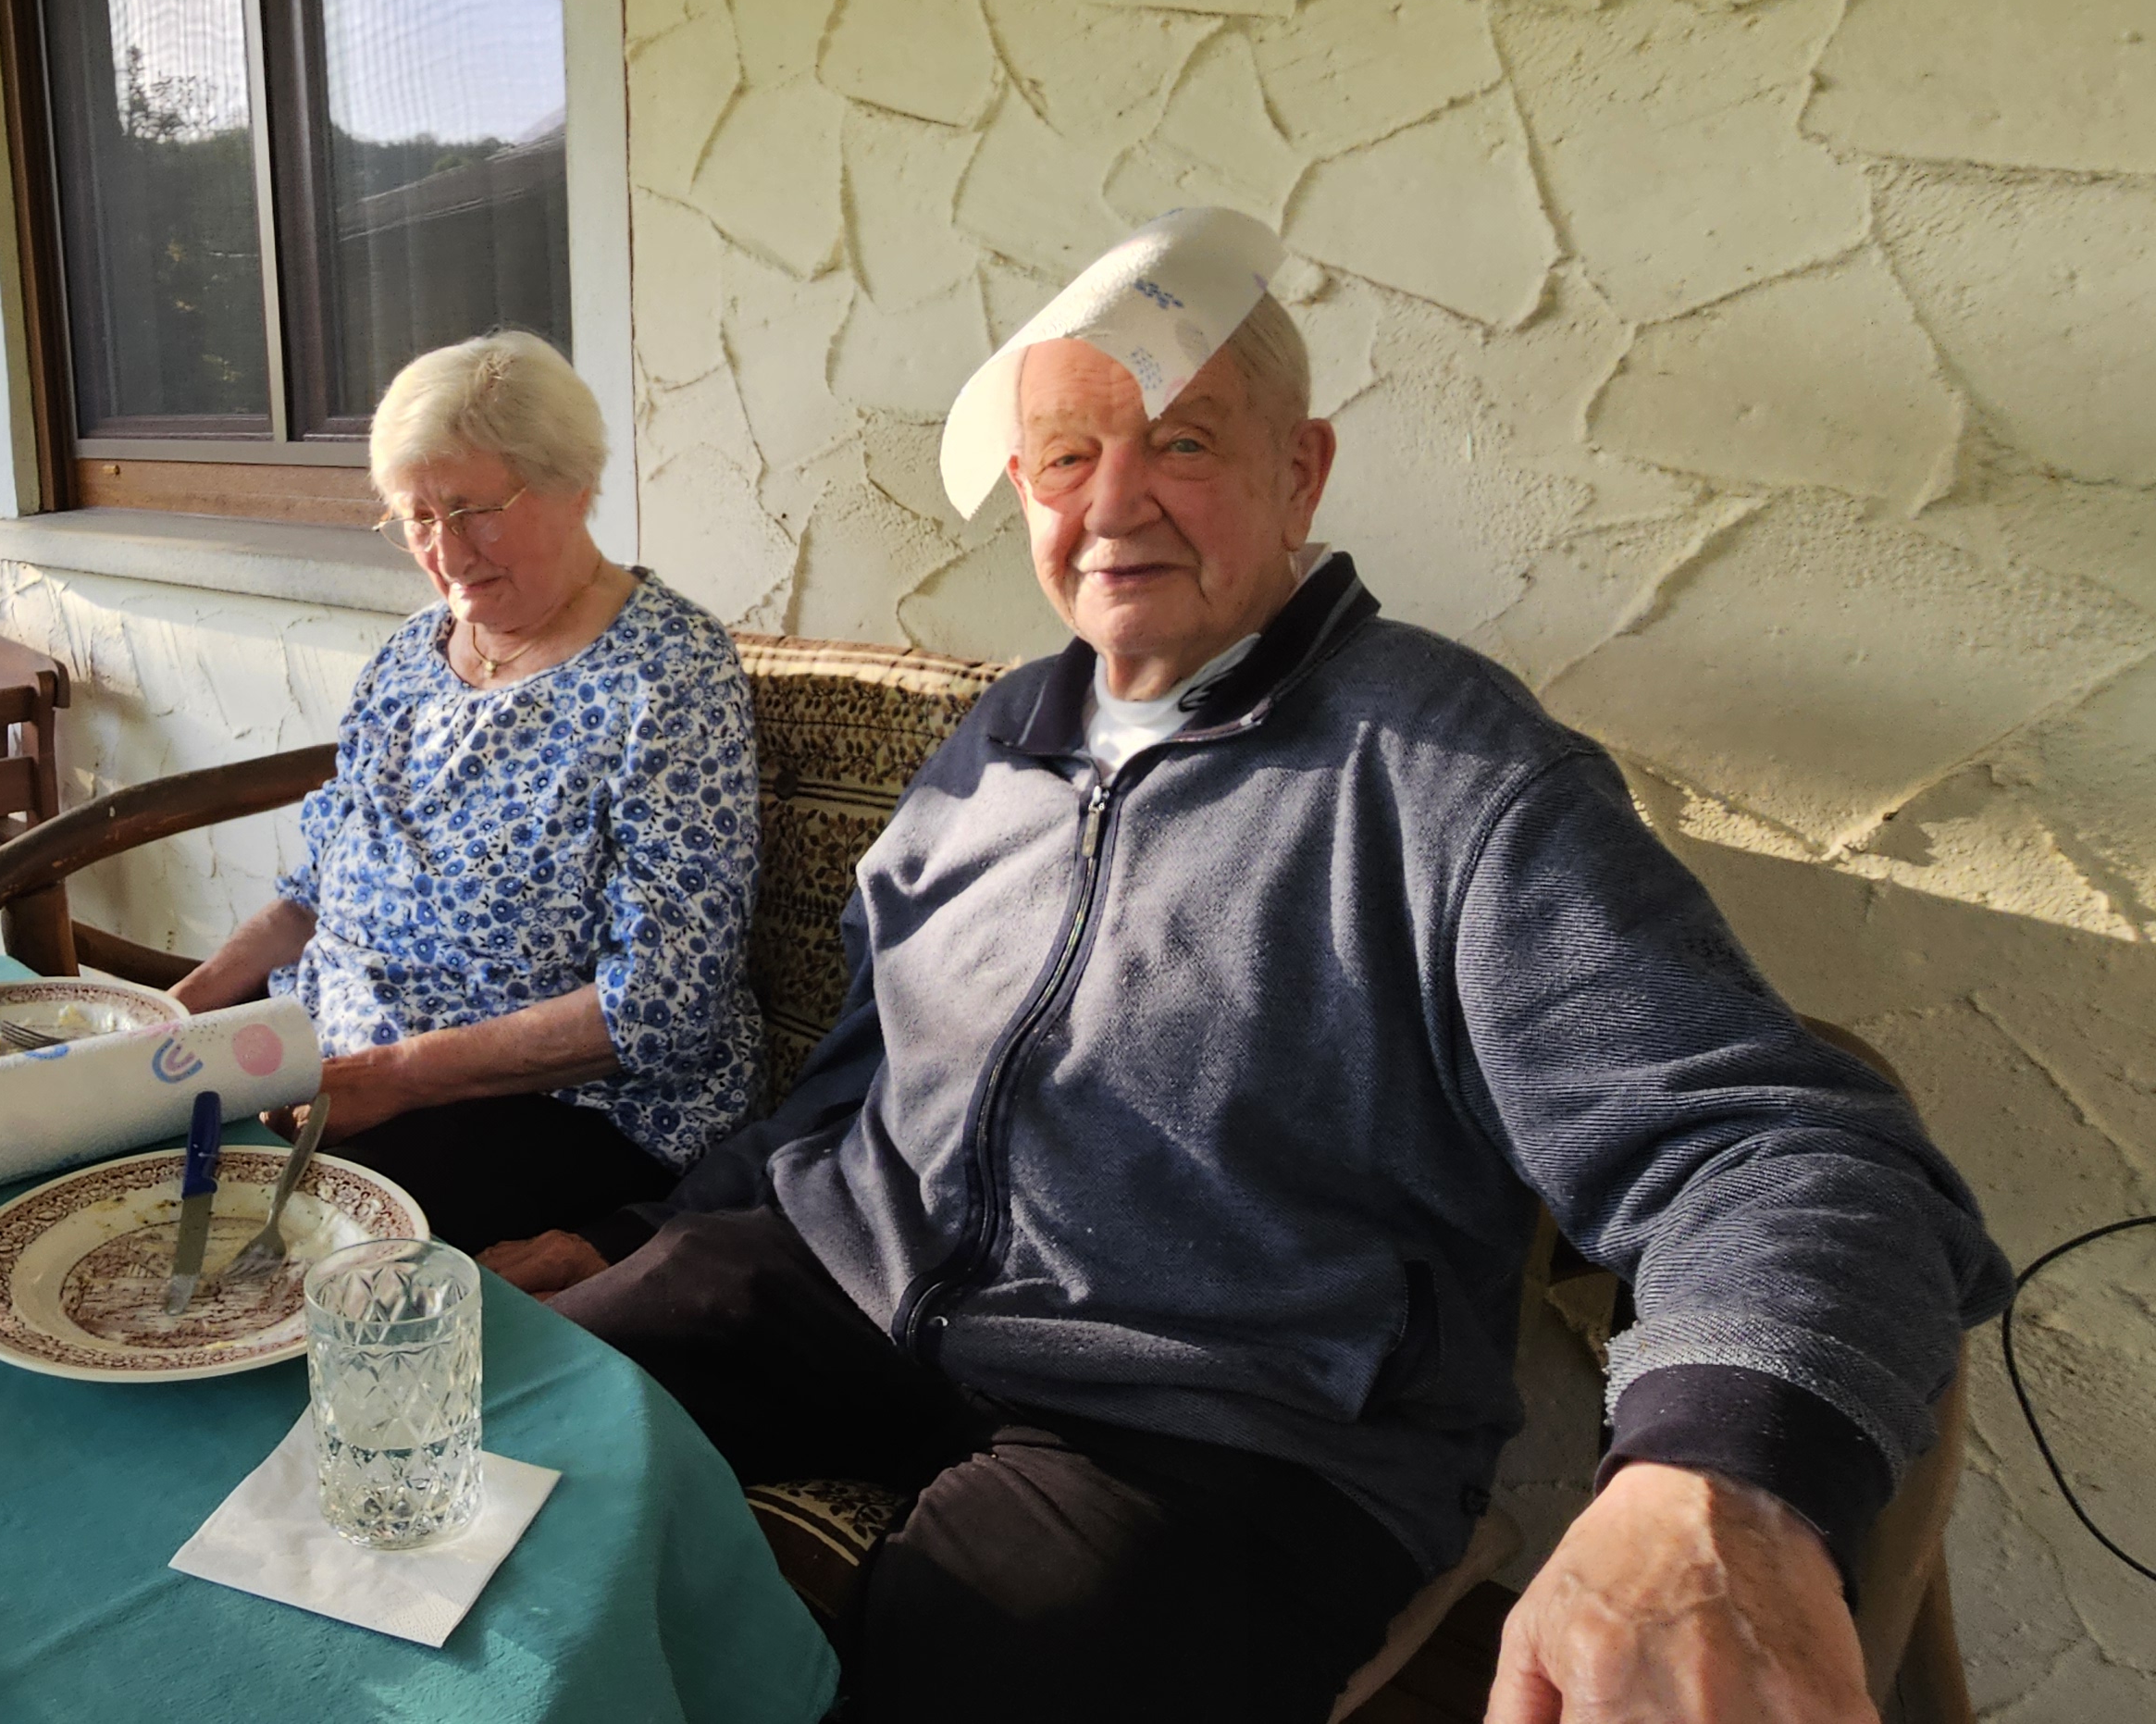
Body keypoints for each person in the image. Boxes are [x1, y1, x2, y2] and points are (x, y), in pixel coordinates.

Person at [493, 211, 2010, 1723]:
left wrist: (1719, 1475)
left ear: (1302, 471)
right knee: (484, 1432)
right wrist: (640, 1223)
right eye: (1067, 457)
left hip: (1219, 1417)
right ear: (1024, 493)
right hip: (854, 1280)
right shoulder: (996, 742)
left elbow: (1776, 1148)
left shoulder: (1456, 773)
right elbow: (861, 1077)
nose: (1116, 502)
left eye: (1185, 442)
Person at [168, 330, 763, 1255]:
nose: (446, 552)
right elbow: (311, 894)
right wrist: (173, 1016)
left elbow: (661, 998)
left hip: (560, 1107)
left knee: (258, 1250)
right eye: (415, 517)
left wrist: (393, 1077)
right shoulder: (410, 656)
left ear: (575, 485)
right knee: (129, 1166)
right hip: (330, 1062)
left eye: (474, 510)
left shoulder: (668, 673)